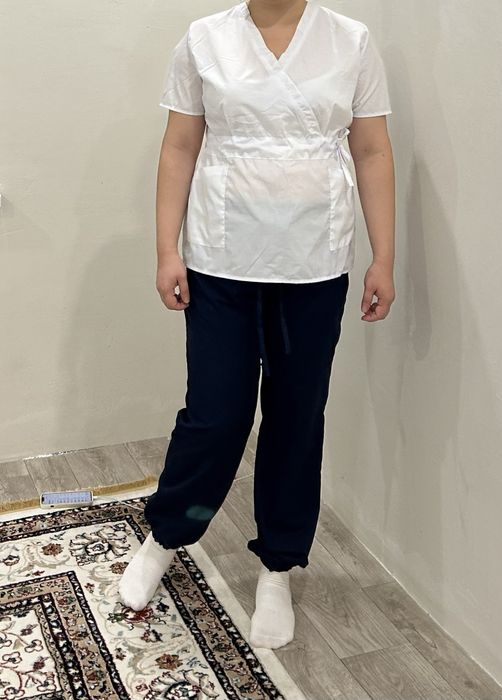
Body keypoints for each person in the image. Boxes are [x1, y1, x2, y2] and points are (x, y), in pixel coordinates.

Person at [119, 0, 395, 650]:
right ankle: (167, 534)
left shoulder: (351, 41)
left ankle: (277, 564)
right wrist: (166, 249)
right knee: (216, 416)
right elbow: (180, 145)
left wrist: (383, 256)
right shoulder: (204, 38)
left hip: (314, 262)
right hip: (222, 259)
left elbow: (372, 149)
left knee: (297, 417)